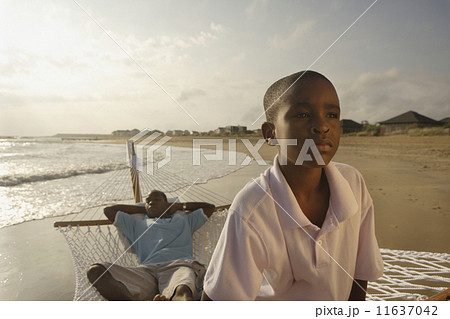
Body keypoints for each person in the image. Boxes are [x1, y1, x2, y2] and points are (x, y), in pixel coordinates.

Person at [202, 70, 384, 300]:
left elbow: (360, 271)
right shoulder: (252, 209)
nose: (322, 126)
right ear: (271, 134)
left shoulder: (353, 183)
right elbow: (219, 300)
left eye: (332, 114)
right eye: (302, 115)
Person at [87, 190, 215, 301]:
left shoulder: (185, 220)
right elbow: (109, 210)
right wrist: (146, 208)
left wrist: (179, 206)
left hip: (178, 266)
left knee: (182, 290)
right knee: (95, 271)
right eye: (148, 201)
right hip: (146, 271)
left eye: (156, 199)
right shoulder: (135, 224)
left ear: (167, 203)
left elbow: (209, 207)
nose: (151, 202)